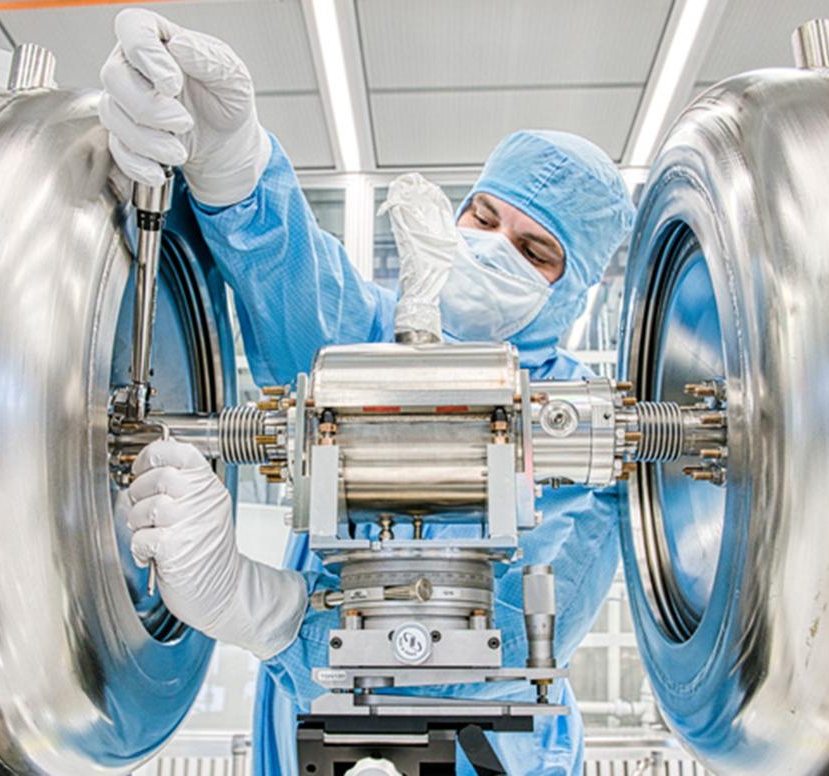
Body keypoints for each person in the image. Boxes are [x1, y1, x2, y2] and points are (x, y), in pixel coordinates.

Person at [102, 8, 636, 774]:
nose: (491, 247)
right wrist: (230, 159)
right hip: (310, 734)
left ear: (571, 288)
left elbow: (510, 640)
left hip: (494, 754)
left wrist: (268, 610)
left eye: (534, 249)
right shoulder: (378, 336)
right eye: (482, 215)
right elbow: (291, 279)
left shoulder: (580, 431)